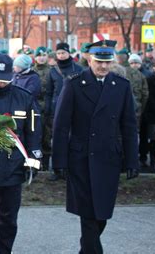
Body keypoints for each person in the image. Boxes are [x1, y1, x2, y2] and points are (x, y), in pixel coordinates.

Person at [52, 40, 139, 254]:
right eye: (99, 61)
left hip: (108, 158)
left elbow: (129, 126)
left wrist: (132, 160)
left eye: (107, 62)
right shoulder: (74, 84)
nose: (103, 67)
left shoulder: (121, 86)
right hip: (81, 159)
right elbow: (61, 126)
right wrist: (59, 161)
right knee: (88, 215)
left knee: (101, 215)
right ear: (89, 60)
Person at [0, 53, 42, 254]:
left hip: (13, 169)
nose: (0, 84)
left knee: (8, 218)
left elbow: (34, 133)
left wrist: (33, 162)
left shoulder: (24, 98)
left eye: (4, 80)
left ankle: (3, 251)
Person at [45, 42, 84, 180]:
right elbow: (49, 92)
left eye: (63, 53)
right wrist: (48, 109)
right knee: (56, 140)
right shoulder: (53, 71)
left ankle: (70, 168)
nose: (61, 56)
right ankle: (57, 169)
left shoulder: (78, 69)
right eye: (59, 53)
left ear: (69, 54)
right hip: (56, 109)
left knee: (71, 139)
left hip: (74, 109)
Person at [33, 46, 52, 170]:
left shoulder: (52, 71)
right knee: (34, 136)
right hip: (34, 108)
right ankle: (34, 165)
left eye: (44, 55)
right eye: (39, 55)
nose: (41, 58)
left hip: (47, 108)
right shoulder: (31, 71)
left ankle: (45, 165)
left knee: (46, 136)